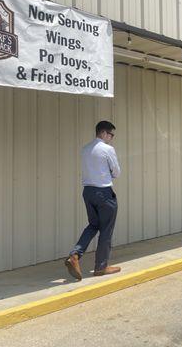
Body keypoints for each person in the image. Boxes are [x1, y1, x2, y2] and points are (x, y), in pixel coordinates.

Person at [65, 120, 121, 280]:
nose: (111, 138)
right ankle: (101, 267)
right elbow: (117, 172)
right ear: (103, 133)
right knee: (106, 228)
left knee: (93, 225)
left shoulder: (85, 149)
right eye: (111, 134)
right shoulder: (108, 149)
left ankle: (75, 255)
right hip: (103, 192)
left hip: (88, 192)